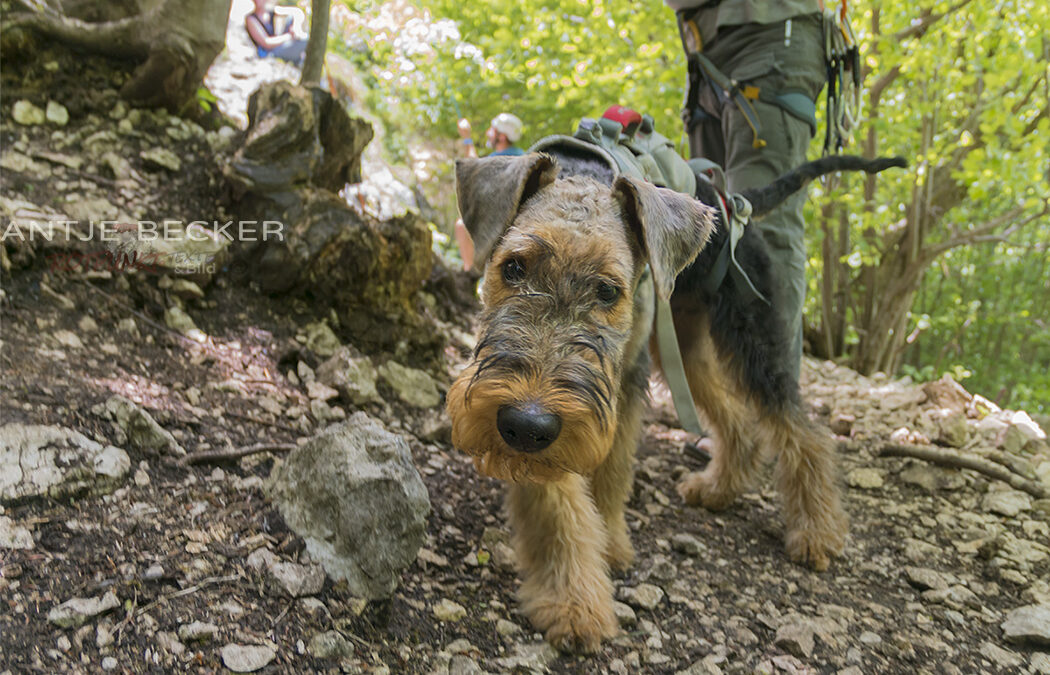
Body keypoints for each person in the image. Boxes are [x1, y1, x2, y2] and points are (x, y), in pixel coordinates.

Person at [667, 0, 827, 384]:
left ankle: (774, 413)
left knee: (762, 232)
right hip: (702, 47)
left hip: (773, 32)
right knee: (708, 234)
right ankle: (731, 422)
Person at [454, 113, 525, 268]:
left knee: (462, 226)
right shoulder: (520, 155)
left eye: (492, 130)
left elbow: (473, 168)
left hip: (503, 226)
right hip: (515, 224)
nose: (488, 133)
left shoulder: (504, 157)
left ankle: (469, 274)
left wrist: (467, 137)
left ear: (502, 136)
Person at [246, 0, 309, 66]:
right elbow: (266, 43)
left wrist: (296, 28)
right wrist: (289, 36)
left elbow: (297, 12)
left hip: (280, 44)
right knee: (305, 41)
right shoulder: (251, 19)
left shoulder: (271, 11)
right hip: (269, 53)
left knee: (292, 22)